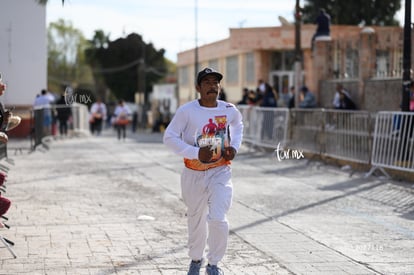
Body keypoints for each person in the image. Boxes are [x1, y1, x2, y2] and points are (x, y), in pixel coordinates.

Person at [163, 67, 243, 275]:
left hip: (220, 171)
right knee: (196, 218)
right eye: (207, 82)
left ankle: (214, 264)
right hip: (193, 173)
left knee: (218, 217)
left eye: (215, 82)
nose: (212, 86)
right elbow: (169, 137)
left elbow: (238, 125)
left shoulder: (228, 109)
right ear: (198, 87)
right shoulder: (187, 111)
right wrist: (195, 153)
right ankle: (196, 259)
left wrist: (234, 146)